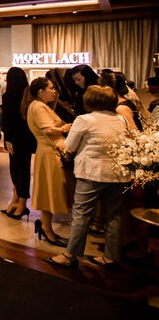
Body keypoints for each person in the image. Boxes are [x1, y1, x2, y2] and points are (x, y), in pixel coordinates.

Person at [44, 85, 131, 268]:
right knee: (114, 216)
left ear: (90, 100)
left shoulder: (85, 119)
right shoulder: (121, 119)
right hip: (118, 174)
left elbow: (70, 145)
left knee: (81, 214)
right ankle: (111, 256)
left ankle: (70, 255)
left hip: (92, 173)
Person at [26, 77, 73, 246]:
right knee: (49, 191)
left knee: (51, 191)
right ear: (41, 91)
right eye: (51, 88)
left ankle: (45, 225)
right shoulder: (38, 107)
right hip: (49, 154)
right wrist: (64, 128)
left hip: (50, 152)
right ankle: (46, 228)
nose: (54, 91)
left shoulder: (41, 106)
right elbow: (48, 130)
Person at [0, 67, 37, 220]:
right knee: (23, 169)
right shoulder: (29, 95)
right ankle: (16, 201)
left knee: (17, 170)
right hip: (27, 137)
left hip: (15, 138)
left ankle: (21, 204)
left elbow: (8, 121)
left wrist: (7, 139)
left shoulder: (9, 96)